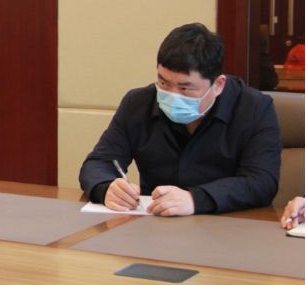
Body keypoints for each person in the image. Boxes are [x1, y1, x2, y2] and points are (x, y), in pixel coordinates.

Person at [79, 23, 281, 216]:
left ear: (218, 85)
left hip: (228, 226)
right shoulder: (138, 103)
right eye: (164, 83)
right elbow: (98, 163)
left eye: (185, 88)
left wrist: (196, 199)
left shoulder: (254, 108)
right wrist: (106, 187)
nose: (172, 96)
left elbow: (261, 182)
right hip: (152, 225)